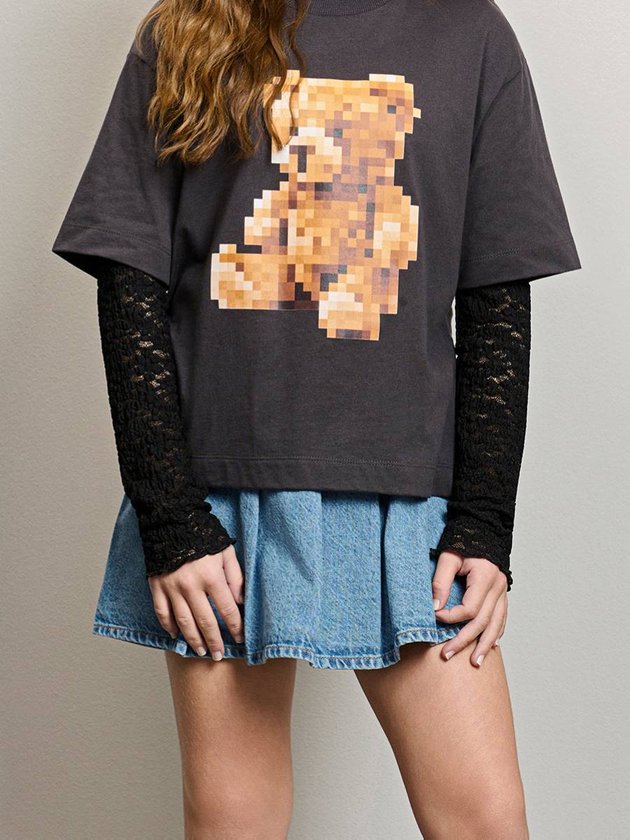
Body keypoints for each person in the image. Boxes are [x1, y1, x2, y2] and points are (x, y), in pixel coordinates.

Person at [51, 1, 581, 837]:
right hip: (225, 496)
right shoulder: (188, 25)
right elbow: (130, 285)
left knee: (485, 818)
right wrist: (171, 519)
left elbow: (496, 301)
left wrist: (484, 521)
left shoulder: (470, 33)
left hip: (408, 498)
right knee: (235, 821)